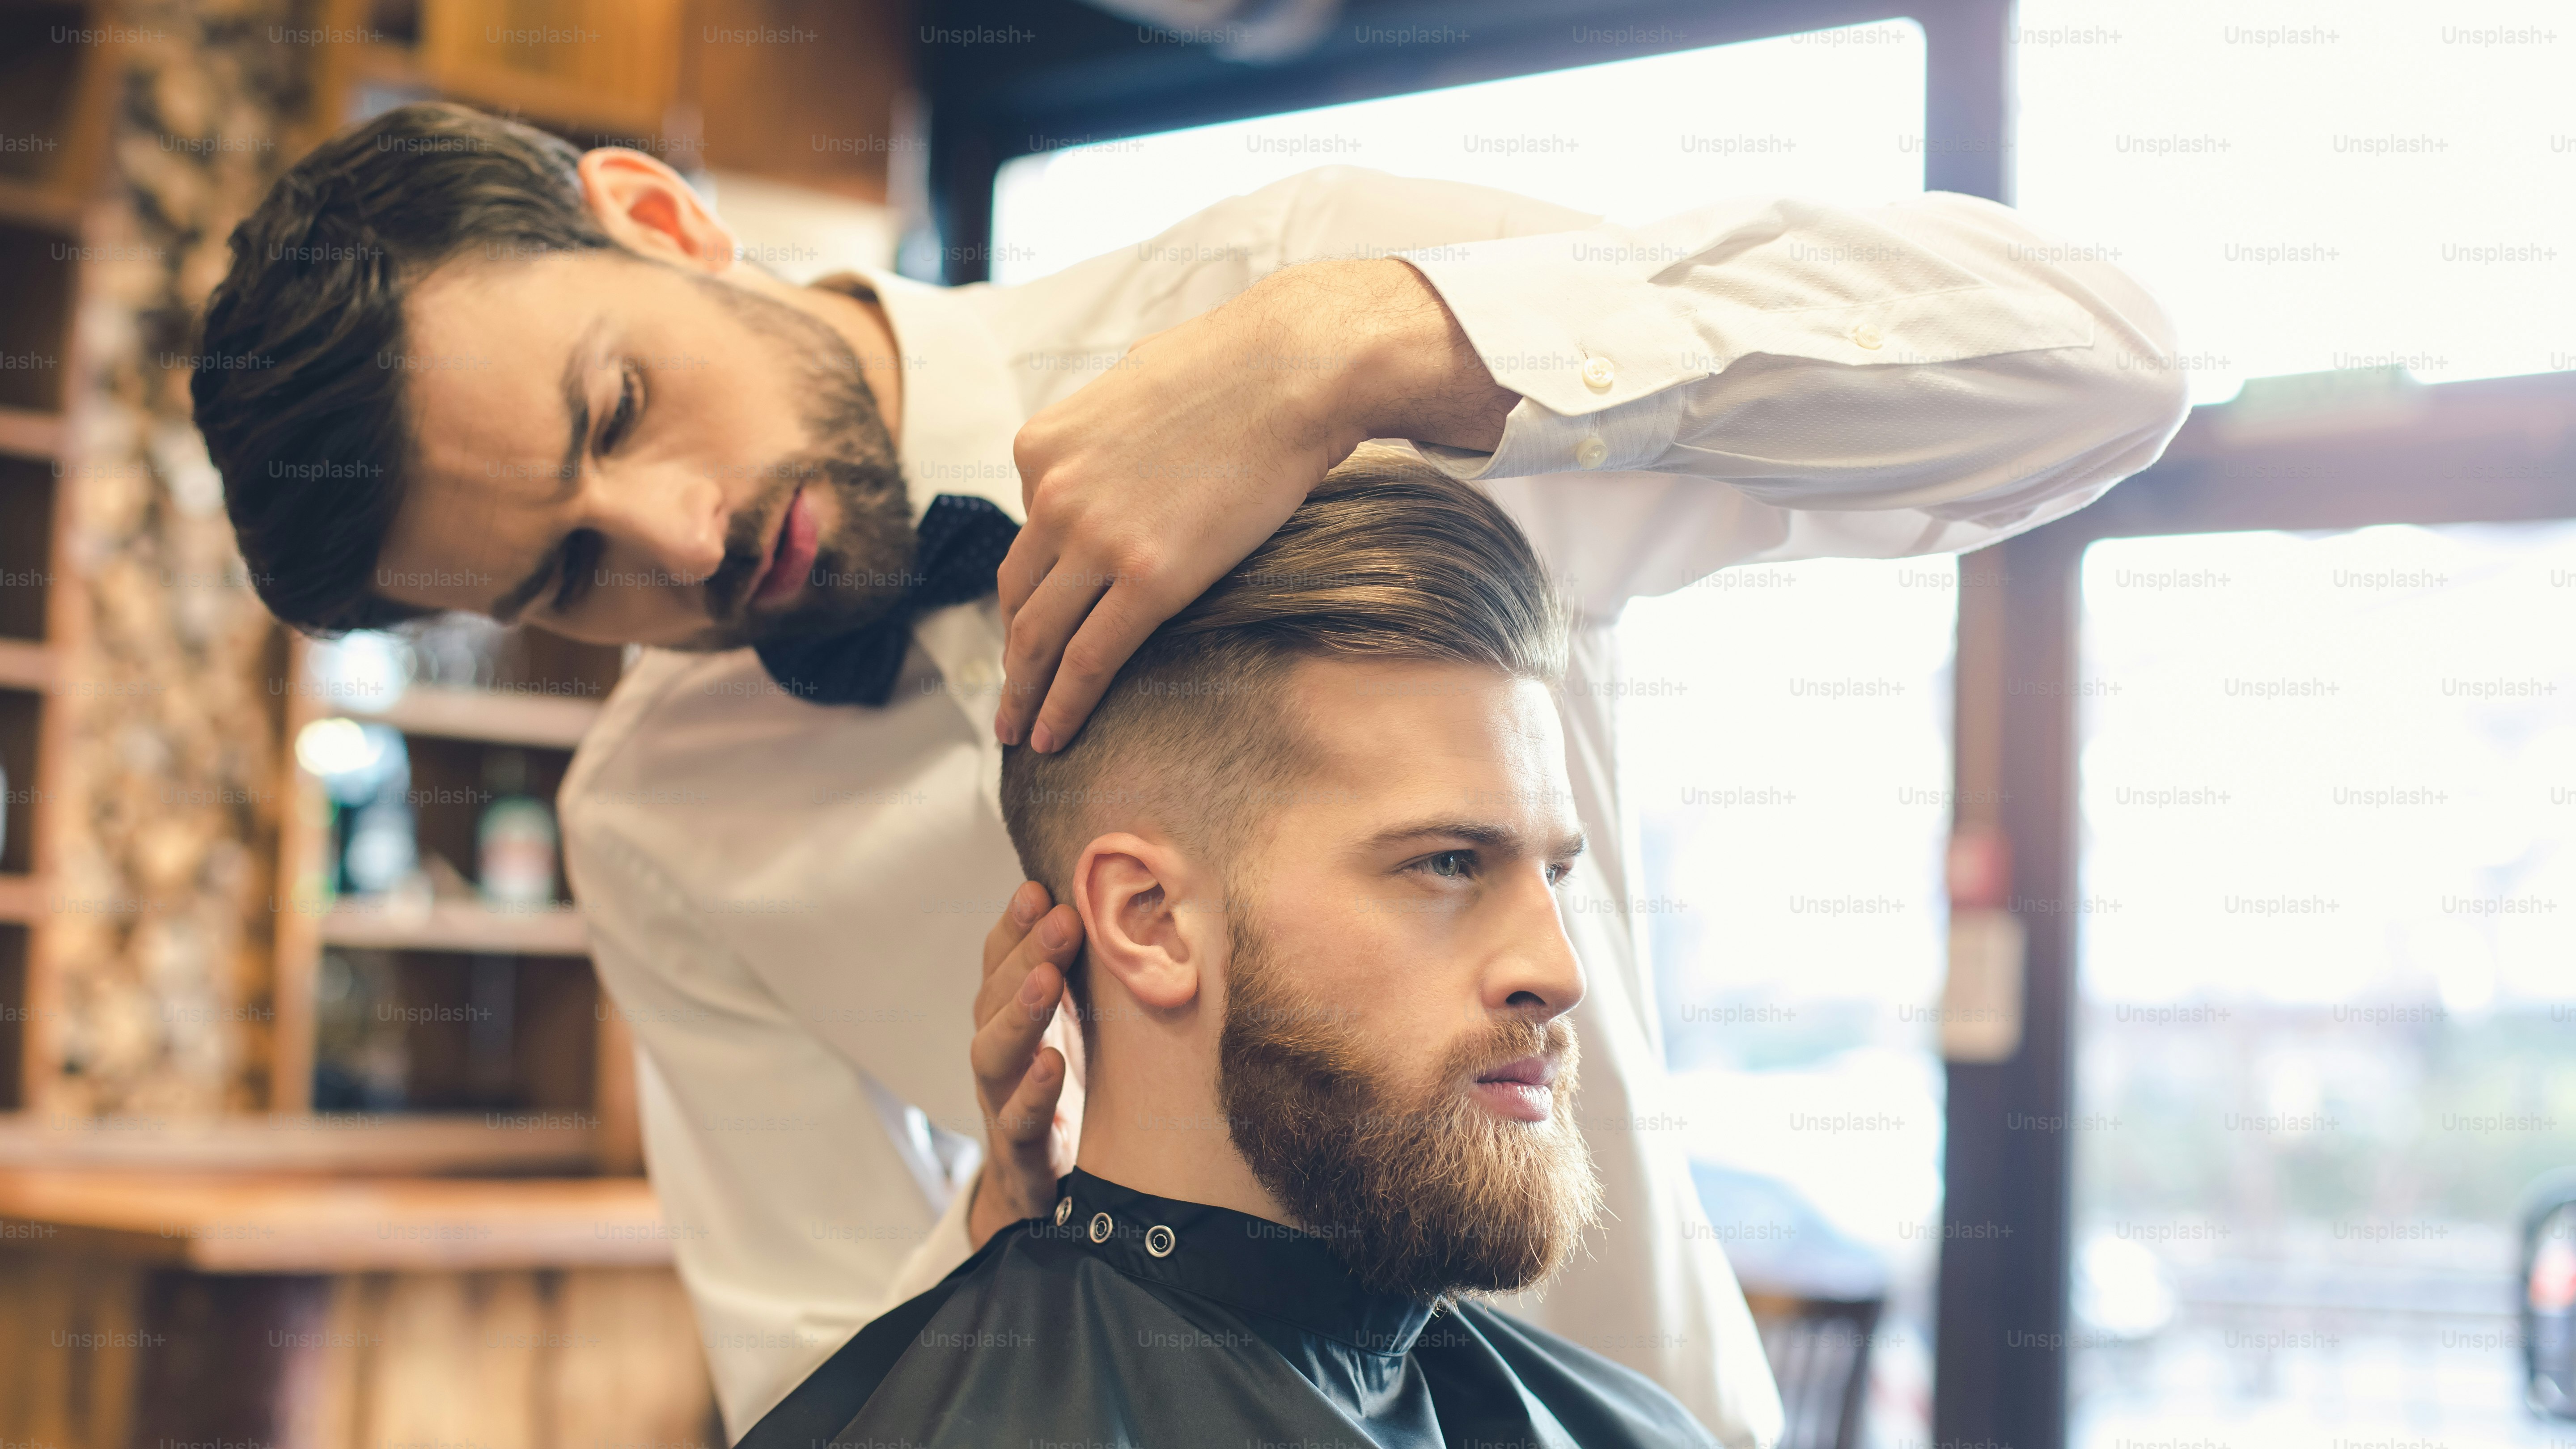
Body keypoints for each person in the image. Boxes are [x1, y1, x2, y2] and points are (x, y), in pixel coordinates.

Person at [188, 101, 2188, 1439]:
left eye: (618, 404)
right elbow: (815, 1355)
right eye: (564, 570)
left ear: (657, 215)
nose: (682, 535)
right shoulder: (658, 826)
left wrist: (1373, 347)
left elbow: (2096, 370)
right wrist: (999, 1247)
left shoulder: (1303, 319)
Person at [744, 449, 1722, 1448]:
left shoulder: (1643, 1427)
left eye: (1555, 874)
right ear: (1152, 920)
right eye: (1447, 863)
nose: (1558, 975)